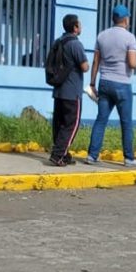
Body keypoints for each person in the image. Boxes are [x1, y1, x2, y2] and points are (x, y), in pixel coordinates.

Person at [85, 5, 136, 167]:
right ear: (126, 19)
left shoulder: (102, 36)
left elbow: (96, 61)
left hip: (104, 82)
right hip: (122, 84)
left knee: (101, 120)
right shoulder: (130, 38)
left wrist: (92, 83)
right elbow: (132, 64)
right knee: (126, 122)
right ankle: (129, 158)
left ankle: (92, 155)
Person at [49, 14, 89, 166]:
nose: (81, 27)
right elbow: (84, 67)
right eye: (79, 24)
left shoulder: (58, 41)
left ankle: (63, 153)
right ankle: (58, 154)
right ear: (75, 27)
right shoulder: (75, 44)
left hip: (58, 89)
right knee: (72, 124)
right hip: (72, 92)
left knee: (59, 124)